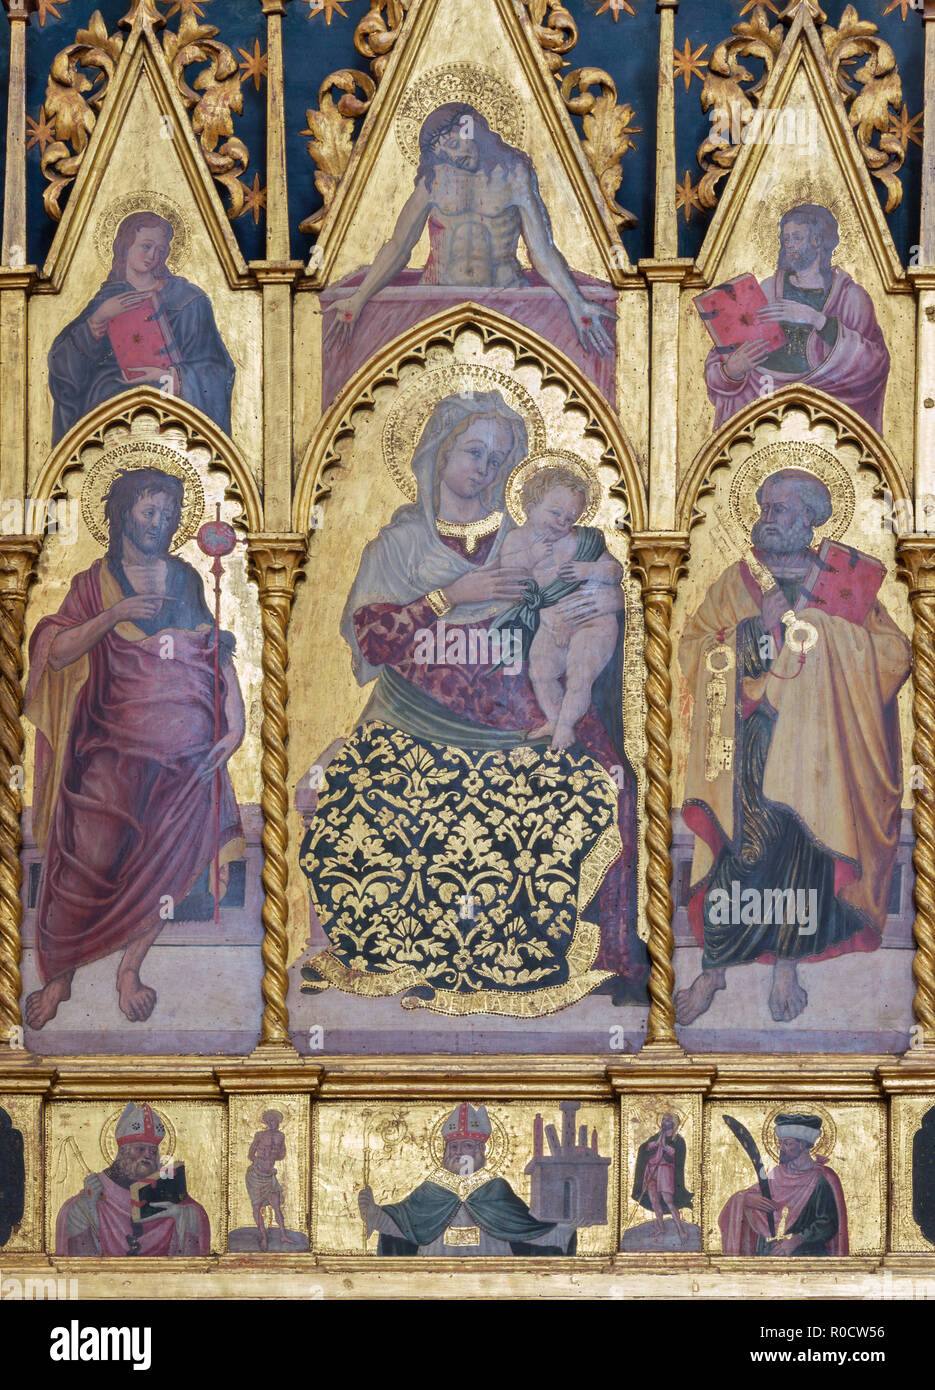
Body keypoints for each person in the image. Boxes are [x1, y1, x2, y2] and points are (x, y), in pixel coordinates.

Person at [299, 391, 646, 1008]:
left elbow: (586, 583)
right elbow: (373, 641)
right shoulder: (400, 544)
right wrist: (447, 596)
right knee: (363, 793)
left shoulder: (533, 531)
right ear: (439, 453)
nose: (484, 470)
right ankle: (403, 953)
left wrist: (612, 599)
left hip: (512, 717)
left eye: (499, 460)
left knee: (590, 784)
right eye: (473, 452)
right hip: (412, 717)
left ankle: (538, 955)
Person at [676, 469, 909, 1025]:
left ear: (809, 517)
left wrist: (820, 630)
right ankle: (713, 969)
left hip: (818, 752)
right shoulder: (736, 582)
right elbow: (691, 650)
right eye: (764, 508)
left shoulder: (843, 582)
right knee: (739, 855)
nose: (768, 518)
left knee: (801, 849)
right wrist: (754, 632)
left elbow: (893, 655)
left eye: (781, 508)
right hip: (747, 746)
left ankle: (786, 965)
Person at [24, 466, 245, 1029]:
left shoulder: (187, 580)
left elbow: (211, 652)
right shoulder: (94, 583)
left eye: (169, 514)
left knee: (165, 861)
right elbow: (56, 652)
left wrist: (236, 724)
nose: (161, 523)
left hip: (182, 748)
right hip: (111, 742)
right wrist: (115, 615)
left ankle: (130, 968)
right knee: (86, 860)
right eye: (150, 512)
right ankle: (60, 979)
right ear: (123, 515)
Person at [330, 103, 613, 358]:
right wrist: (358, 298)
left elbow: (541, 250)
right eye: (444, 152)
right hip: (436, 306)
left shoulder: (514, 172)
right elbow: (399, 246)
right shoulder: (435, 178)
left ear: (473, 130)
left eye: (454, 143)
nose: (453, 156)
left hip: (505, 305)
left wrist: (576, 302)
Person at [49, 211, 235, 444]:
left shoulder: (188, 301)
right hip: (108, 425)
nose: (153, 257)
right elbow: (62, 367)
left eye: (161, 251)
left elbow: (219, 371)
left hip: (175, 422)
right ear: (125, 245)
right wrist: (98, 319)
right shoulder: (107, 299)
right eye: (146, 246)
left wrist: (169, 376)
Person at [703, 204, 889, 433]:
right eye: (785, 239)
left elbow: (874, 364)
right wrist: (732, 370)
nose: (788, 245)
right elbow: (722, 354)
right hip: (762, 407)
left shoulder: (851, 297)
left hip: (826, 418)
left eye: (797, 237)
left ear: (818, 240)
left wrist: (817, 320)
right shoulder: (767, 291)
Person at [491, 465, 623, 750]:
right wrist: (530, 556)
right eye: (555, 512)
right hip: (551, 621)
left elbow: (614, 571)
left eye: (569, 518)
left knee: (580, 672)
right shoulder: (516, 540)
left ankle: (565, 727)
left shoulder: (583, 541)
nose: (561, 522)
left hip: (593, 621)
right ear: (530, 506)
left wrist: (590, 569)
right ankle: (554, 718)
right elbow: (511, 576)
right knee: (540, 672)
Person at [358, 1102, 576, 1255]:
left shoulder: (495, 1188)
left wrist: (562, 1232)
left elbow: (524, 1230)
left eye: (467, 1145)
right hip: (434, 1275)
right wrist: (375, 1214)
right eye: (453, 1146)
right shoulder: (431, 1189)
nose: (459, 1152)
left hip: (493, 1276)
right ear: (444, 1152)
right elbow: (405, 1227)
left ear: (481, 1150)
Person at [55, 1102, 210, 1257]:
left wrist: (181, 1214)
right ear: (123, 1153)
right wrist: (88, 1204)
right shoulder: (98, 1188)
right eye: (140, 1149)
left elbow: (196, 1214)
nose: (148, 1155)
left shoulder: (167, 1187)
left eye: (153, 1151)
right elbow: (70, 1218)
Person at [719, 1113, 848, 1255]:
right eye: (780, 1143)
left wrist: (797, 1240)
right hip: (769, 1255)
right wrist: (747, 1199)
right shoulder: (776, 1173)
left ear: (803, 1144)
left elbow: (828, 1224)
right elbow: (756, 1194)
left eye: (787, 1144)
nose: (781, 1149)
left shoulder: (821, 1179)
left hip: (807, 1258)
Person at [631, 1113, 692, 1243]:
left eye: (668, 1120)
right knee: (654, 1200)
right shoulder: (656, 1137)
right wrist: (654, 1145)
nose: (665, 1122)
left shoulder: (678, 1140)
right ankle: (661, 1227)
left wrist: (667, 1150)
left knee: (668, 1200)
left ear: (673, 1123)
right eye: (663, 1120)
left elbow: (678, 1158)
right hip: (652, 1169)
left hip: (665, 1171)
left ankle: (681, 1230)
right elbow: (644, 1149)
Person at [246, 1111, 300, 1251]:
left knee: (276, 1205)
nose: (271, 1123)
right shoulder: (260, 1135)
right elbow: (251, 1154)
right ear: (266, 1123)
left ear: (278, 1121)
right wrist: (259, 1158)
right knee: (257, 1206)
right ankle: (263, 1236)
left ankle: (283, 1234)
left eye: (274, 1120)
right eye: (269, 1121)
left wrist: (276, 1153)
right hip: (256, 1175)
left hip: (270, 1175)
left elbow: (282, 1154)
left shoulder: (281, 1136)